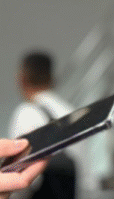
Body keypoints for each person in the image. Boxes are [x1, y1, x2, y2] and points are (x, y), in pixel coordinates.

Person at [8, 52, 77, 199]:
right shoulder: (70, 111)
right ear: (52, 79)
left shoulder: (26, 113)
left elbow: (21, 177)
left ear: (22, 78)